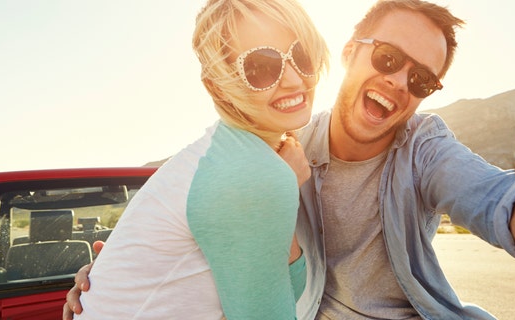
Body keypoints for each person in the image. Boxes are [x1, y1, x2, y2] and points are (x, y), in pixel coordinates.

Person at [65, 0, 515, 319]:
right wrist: (108, 281)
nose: (399, 83)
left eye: (421, 79)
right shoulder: (273, 139)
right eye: (389, 57)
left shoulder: (422, 147)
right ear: (350, 48)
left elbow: (503, 204)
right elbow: (189, 202)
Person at [70, 0, 330, 319]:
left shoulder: (229, 155)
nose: (294, 80)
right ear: (218, 87)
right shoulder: (248, 171)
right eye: (261, 66)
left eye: (302, 55)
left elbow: (284, 286)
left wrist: (284, 185)